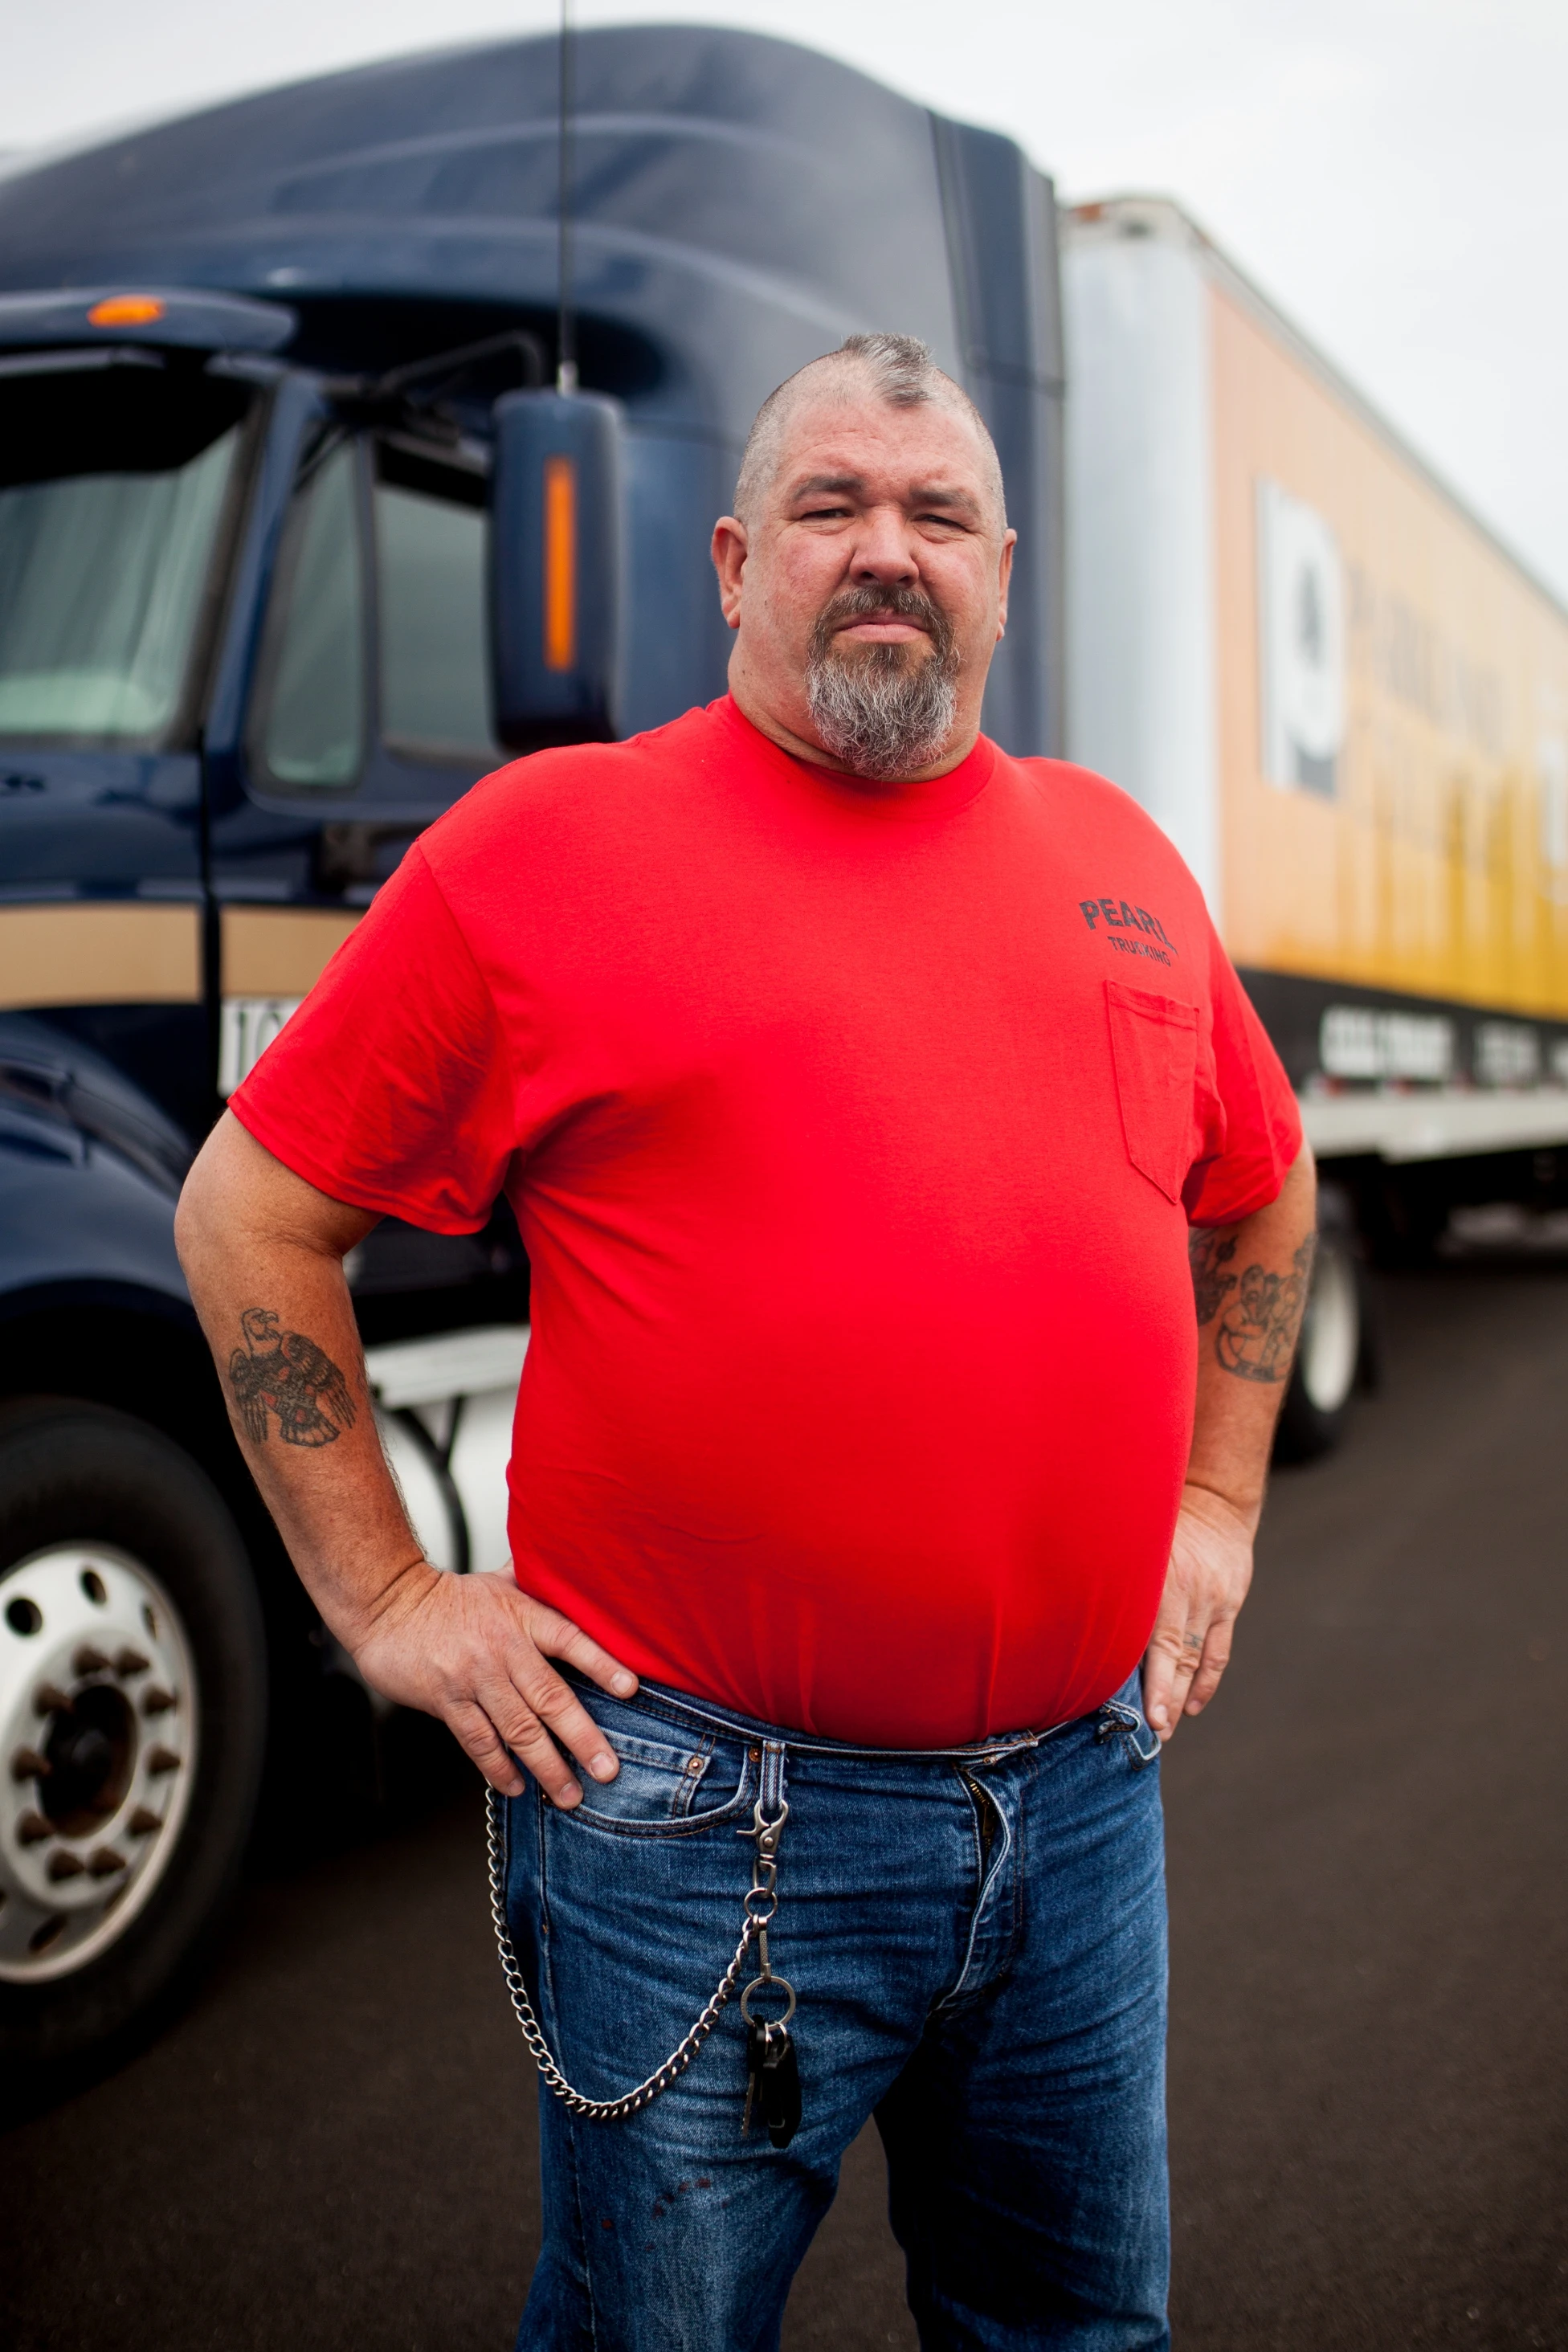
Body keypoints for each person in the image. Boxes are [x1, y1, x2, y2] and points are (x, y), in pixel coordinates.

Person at [176, 332, 1315, 2352]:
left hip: (1081, 1805)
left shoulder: (1123, 866)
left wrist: (1217, 1506)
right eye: (829, 507)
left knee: (1078, 2336)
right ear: (728, 563)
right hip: (703, 1830)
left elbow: (1264, 1189)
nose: (888, 549)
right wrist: (382, 1598)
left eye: (936, 513)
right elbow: (252, 1212)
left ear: (1000, 570)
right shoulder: (547, 852)